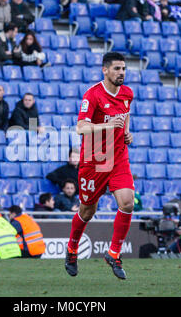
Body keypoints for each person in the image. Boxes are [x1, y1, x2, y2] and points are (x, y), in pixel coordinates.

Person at [65, 52, 135, 280]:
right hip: (94, 160)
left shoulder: (127, 93)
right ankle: (72, 250)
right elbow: (81, 128)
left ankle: (113, 253)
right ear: (105, 70)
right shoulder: (93, 95)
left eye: (123, 68)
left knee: (127, 202)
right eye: (117, 68)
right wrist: (106, 127)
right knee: (88, 210)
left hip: (118, 158)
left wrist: (125, 132)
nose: (121, 73)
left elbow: (125, 115)